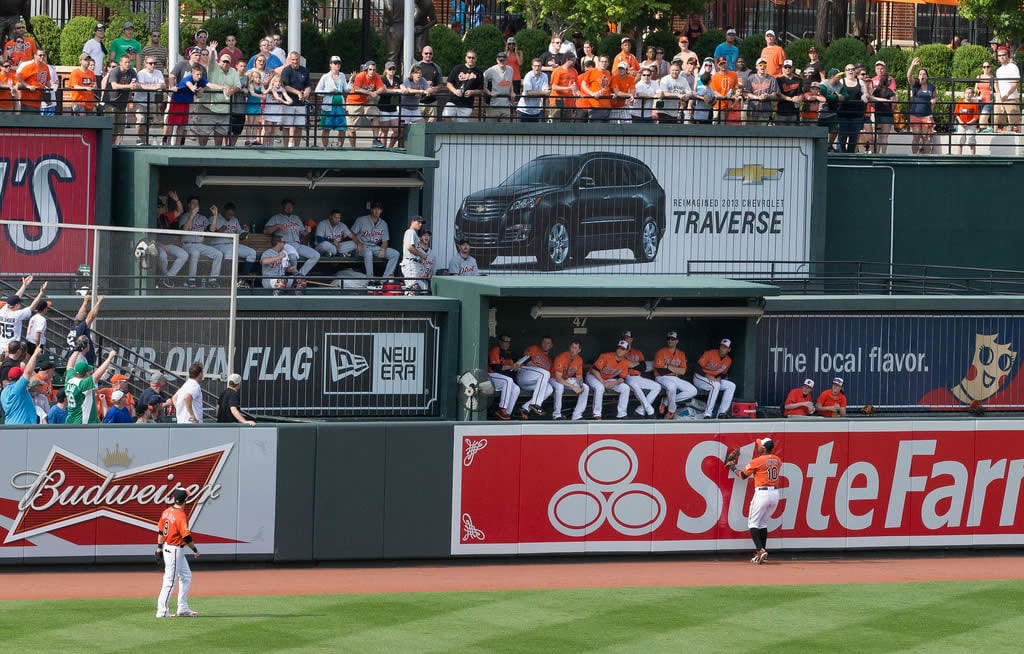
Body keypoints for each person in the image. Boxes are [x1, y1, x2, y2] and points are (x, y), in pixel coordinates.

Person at [725, 437, 782, 564]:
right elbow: (766, 464)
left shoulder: (757, 461)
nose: (758, 446)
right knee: (763, 524)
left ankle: (760, 550)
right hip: (775, 494)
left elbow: (742, 476)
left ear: (763, 448)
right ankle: (762, 553)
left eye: (760, 445)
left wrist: (733, 467)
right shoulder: (777, 460)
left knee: (753, 524)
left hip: (762, 494)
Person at [155, 487, 200, 618]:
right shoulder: (180, 515)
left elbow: (160, 531)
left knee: (186, 576)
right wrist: (195, 550)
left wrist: (159, 547)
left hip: (169, 548)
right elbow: (186, 537)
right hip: (174, 550)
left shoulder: (167, 511)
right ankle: (162, 611)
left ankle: (183, 608)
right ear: (185, 500)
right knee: (170, 581)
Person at [264, 198, 321, 280]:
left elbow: (302, 233)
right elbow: (266, 231)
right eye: (287, 206)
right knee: (292, 257)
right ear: (283, 206)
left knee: (316, 255)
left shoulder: (296, 218)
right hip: (284, 245)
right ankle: (297, 278)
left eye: (291, 206)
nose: (289, 208)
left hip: (297, 245)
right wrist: (278, 226)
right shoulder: (276, 218)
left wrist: (307, 231)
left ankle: (300, 276)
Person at [195, 52, 240, 147]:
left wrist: (231, 91)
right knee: (204, 133)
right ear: (219, 62)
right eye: (223, 61)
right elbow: (211, 60)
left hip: (224, 109)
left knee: (220, 134)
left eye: (227, 62)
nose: (225, 63)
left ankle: (217, 153)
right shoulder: (213, 67)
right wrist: (212, 50)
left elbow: (238, 86)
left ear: (230, 63)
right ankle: (201, 152)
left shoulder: (233, 71)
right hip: (208, 107)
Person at [64, 346, 118, 424]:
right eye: (89, 372)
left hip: (72, 420)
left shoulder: (69, 379)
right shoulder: (82, 384)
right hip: (83, 423)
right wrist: (110, 357)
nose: (90, 373)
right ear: (85, 373)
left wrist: (76, 351)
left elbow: (69, 366)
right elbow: (97, 375)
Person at [179, 196, 223, 287]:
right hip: (187, 245)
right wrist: (191, 216)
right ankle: (191, 279)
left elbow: (212, 229)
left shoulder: (202, 218)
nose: (195, 205)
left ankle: (212, 279)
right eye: (193, 203)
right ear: (188, 205)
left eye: (197, 203)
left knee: (218, 254)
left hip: (200, 244)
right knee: (195, 253)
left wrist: (215, 215)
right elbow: (184, 230)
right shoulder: (184, 216)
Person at [653, 330, 697, 419]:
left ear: (677, 341)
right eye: (669, 339)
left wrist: (667, 366)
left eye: (673, 339)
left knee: (693, 391)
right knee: (671, 387)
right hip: (661, 377)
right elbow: (661, 371)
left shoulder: (681, 354)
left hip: (675, 378)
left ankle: (665, 401)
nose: (670, 341)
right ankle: (671, 411)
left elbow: (683, 371)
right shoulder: (660, 352)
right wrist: (676, 370)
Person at [351, 200, 400, 278]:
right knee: (368, 253)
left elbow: (385, 240)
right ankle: (370, 279)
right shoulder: (361, 220)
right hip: (363, 247)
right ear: (371, 210)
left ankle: (385, 278)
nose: (377, 211)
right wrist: (359, 244)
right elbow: (352, 234)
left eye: (379, 209)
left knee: (395, 254)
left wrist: (383, 249)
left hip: (375, 247)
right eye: (375, 209)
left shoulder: (383, 223)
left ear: (381, 211)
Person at [586, 340, 632, 420]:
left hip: (608, 379)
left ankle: (621, 414)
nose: (620, 350)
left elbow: (623, 378)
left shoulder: (625, 362)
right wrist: (603, 382)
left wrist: (614, 383)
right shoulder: (605, 356)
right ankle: (597, 414)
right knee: (600, 388)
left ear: (627, 351)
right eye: (618, 348)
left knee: (625, 388)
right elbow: (595, 370)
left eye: (623, 349)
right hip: (593, 376)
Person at [620, 330, 659, 417]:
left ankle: (640, 410)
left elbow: (643, 367)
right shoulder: (620, 351)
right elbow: (623, 365)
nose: (626, 339)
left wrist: (630, 364)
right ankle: (650, 411)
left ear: (631, 339)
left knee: (657, 386)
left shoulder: (637, 352)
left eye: (627, 337)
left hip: (638, 376)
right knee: (635, 386)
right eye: (624, 337)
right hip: (627, 377)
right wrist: (635, 364)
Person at [694, 338, 736, 419]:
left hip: (712, 379)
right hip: (700, 377)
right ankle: (707, 414)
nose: (722, 349)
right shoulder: (710, 353)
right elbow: (696, 367)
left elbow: (724, 373)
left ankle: (721, 413)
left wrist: (720, 377)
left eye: (725, 347)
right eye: (721, 346)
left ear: (729, 349)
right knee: (716, 385)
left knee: (731, 385)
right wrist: (707, 375)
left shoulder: (728, 360)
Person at [0, 282, 46, 353]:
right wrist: (40, 294)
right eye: (19, 303)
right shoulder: (17, 315)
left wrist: (24, 285)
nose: (20, 304)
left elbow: (16, 296)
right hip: (12, 348)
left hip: (1, 345)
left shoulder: (2, 311)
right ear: (16, 305)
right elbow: (32, 307)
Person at [0, 345, 41, 424]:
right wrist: (35, 355)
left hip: (10, 426)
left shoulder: (4, 392)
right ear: (19, 378)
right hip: (21, 429)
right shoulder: (17, 389)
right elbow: (28, 373)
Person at [549, 339, 589, 421]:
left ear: (579, 350)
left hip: (566, 379)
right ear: (569, 348)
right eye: (572, 347)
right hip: (553, 378)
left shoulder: (579, 360)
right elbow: (558, 378)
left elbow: (579, 377)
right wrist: (573, 387)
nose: (573, 350)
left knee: (585, 388)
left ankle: (577, 415)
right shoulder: (561, 357)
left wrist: (580, 386)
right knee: (560, 387)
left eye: (575, 348)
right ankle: (556, 415)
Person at [347, 60, 384, 146]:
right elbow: (356, 88)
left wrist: (376, 93)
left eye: (374, 70)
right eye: (370, 69)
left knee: (376, 115)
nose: (372, 71)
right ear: (366, 70)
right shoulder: (360, 76)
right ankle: (353, 148)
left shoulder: (376, 76)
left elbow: (382, 88)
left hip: (366, 102)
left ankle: (375, 140)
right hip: (353, 102)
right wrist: (370, 93)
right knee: (352, 128)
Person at [516, 336, 554, 418]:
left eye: (548, 343)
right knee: (545, 373)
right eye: (544, 342)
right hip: (524, 374)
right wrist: (532, 364)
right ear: (541, 343)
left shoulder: (550, 362)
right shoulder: (534, 348)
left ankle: (525, 408)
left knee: (549, 388)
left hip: (531, 384)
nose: (545, 344)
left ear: (551, 346)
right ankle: (536, 404)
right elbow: (525, 359)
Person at [316, 55, 349, 147]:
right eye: (335, 63)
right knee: (326, 129)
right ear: (330, 64)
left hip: (339, 106)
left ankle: (339, 147)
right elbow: (317, 91)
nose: (337, 65)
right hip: (328, 107)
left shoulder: (342, 76)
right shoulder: (325, 77)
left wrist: (351, 82)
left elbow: (345, 89)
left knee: (342, 129)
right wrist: (328, 92)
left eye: (339, 63)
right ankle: (325, 147)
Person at [279, 51, 311, 147]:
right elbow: (285, 86)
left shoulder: (305, 70)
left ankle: (297, 147)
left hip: (300, 103)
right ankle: (286, 147)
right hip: (288, 103)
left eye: (297, 59)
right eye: (293, 59)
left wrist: (307, 91)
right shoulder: (286, 70)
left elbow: (308, 85)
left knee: (299, 127)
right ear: (289, 60)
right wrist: (297, 92)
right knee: (286, 127)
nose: (295, 61)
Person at [837, 63, 870, 153]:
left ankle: (850, 156)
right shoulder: (841, 82)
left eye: (852, 69)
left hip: (856, 114)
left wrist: (864, 96)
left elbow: (865, 93)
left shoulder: (860, 82)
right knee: (842, 137)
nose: (850, 70)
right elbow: (835, 92)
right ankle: (841, 156)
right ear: (845, 72)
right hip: (843, 114)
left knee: (853, 138)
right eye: (848, 69)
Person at [907, 57, 936, 154]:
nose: (922, 75)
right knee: (916, 136)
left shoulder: (931, 87)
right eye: (920, 74)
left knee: (925, 137)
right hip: (915, 115)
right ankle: (914, 157)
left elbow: (936, 96)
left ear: (927, 76)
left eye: (924, 74)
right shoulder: (915, 84)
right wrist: (912, 66)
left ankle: (927, 159)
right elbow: (908, 77)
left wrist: (934, 100)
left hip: (927, 115)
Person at [63, 292, 102, 367]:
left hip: (74, 357)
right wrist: (99, 301)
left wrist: (85, 301)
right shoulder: (81, 328)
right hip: (81, 359)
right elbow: (91, 316)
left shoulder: (74, 326)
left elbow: (80, 314)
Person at [487, 334, 521, 420]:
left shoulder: (509, 353)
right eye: (505, 341)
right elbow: (496, 367)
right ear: (500, 342)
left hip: (501, 378)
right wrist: (511, 367)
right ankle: (502, 409)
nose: (507, 344)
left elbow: (511, 369)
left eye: (508, 342)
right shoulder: (495, 350)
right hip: (491, 375)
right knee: (508, 380)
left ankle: (507, 413)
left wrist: (515, 367)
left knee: (516, 388)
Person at [444, 50, 483, 122]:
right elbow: (448, 83)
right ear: (466, 58)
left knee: (462, 126)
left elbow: (481, 89)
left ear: (476, 59)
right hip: (453, 100)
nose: (471, 59)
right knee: (447, 116)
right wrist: (455, 91)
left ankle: (457, 133)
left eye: (473, 58)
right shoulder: (458, 68)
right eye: (469, 57)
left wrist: (472, 92)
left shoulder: (479, 73)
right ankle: (450, 132)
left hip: (467, 103)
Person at [135, 54, 165, 144]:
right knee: (141, 120)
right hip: (140, 101)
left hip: (151, 102)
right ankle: (139, 139)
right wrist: (154, 87)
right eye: (150, 63)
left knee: (148, 122)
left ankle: (145, 140)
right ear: (145, 63)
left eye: (155, 63)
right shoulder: (141, 73)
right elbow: (140, 86)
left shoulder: (158, 73)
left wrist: (151, 87)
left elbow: (163, 85)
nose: (153, 65)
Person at [744, 58, 778, 124]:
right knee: (751, 132)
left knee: (763, 133)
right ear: (756, 67)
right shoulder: (751, 78)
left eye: (764, 64)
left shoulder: (772, 79)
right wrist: (757, 97)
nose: (762, 66)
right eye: (760, 64)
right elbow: (746, 93)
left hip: (765, 111)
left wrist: (768, 96)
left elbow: (775, 95)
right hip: (752, 111)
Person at [579, 55, 612, 123]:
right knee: (595, 130)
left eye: (606, 62)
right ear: (598, 62)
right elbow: (583, 84)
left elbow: (607, 87)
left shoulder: (608, 73)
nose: (604, 63)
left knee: (607, 131)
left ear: (608, 63)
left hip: (607, 106)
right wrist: (592, 93)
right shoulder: (592, 71)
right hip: (595, 106)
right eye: (602, 61)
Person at [483, 51, 514, 122]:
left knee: (506, 129)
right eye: (500, 60)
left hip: (506, 105)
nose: (502, 62)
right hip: (493, 105)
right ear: (497, 60)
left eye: (503, 60)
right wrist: (489, 92)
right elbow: (482, 83)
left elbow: (510, 81)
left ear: (507, 60)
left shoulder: (510, 69)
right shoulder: (490, 71)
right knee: (491, 129)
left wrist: (512, 91)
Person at [870, 69, 896, 153]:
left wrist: (877, 108)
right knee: (885, 136)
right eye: (890, 80)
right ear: (887, 81)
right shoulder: (890, 91)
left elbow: (872, 103)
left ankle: (877, 153)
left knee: (879, 136)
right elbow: (894, 103)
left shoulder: (876, 91)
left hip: (878, 114)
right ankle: (884, 154)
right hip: (887, 115)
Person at [994, 47, 1019, 133]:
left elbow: (1016, 83)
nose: (1001, 57)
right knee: (998, 122)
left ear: (1008, 55)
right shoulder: (998, 70)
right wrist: (998, 94)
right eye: (999, 55)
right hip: (1000, 99)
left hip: (1011, 97)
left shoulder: (1013, 67)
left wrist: (1007, 94)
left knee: (1015, 123)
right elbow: (996, 82)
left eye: (1003, 54)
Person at [415, 47, 444, 122]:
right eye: (426, 53)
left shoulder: (437, 67)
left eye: (430, 53)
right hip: (419, 102)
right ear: (422, 54)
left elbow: (440, 84)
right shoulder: (417, 66)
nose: (428, 55)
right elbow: (410, 82)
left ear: (432, 55)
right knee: (418, 126)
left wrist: (434, 89)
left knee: (431, 128)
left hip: (432, 102)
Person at [377, 61, 401, 146]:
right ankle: (383, 149)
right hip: (383, 107)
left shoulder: (397, 79)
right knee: (385, 130)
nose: (392, 70)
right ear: (386, 70)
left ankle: (390, 147)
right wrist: (396, 90)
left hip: (393, 108)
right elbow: (384, 90)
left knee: (397, 131)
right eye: (390, 69)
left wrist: (404, 89)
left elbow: (402, 87)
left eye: (393, 68)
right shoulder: (382, 79)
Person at [400, 215, 428, 291]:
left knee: (423, 288)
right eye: (418, 222)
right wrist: (421, 254)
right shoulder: (410, 232)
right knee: (412, 288)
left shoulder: (413, 233)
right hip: (410, 263)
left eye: (421, 223)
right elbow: (409, 247)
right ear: (412, 222)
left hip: (414, 264)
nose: (420, 224)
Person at [954, 86, 980, 155]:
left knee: (971, 141)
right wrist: (960, 121)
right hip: (961, 124)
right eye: (966, 93)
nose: (968, 94)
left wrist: (969, 123)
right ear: (964, 94)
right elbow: (956, 114)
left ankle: (972, 157)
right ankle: (958, 156)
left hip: (971, 125)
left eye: (970, 93)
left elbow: (976, 116)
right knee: (960, 141)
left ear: (972, 94)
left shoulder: (974, 104)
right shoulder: (960, 102)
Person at [775, 60, 802, 124]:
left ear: (793, 68)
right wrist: (790, 99)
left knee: (793, 133)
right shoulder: (778, 79)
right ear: (782, 68)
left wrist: (799, 98)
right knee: (779, 133)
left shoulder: (798, 79)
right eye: (785, 67)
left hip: (794, 112)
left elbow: (802, 93)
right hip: (781, 111)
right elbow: (778, 93)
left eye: (789, 67)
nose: (787, 69)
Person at [976, 61, 995, 132]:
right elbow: (976, 89)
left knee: (982, 120)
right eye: (984, 67)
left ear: (990, 68)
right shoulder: (978, 77)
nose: (986, 68)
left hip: (988, 101)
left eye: (988, 67)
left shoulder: (993, 78)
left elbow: (997, 90)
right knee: (984, 121)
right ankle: (987, 133)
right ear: (982, 68)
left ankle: (984, 132)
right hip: (980, 101)